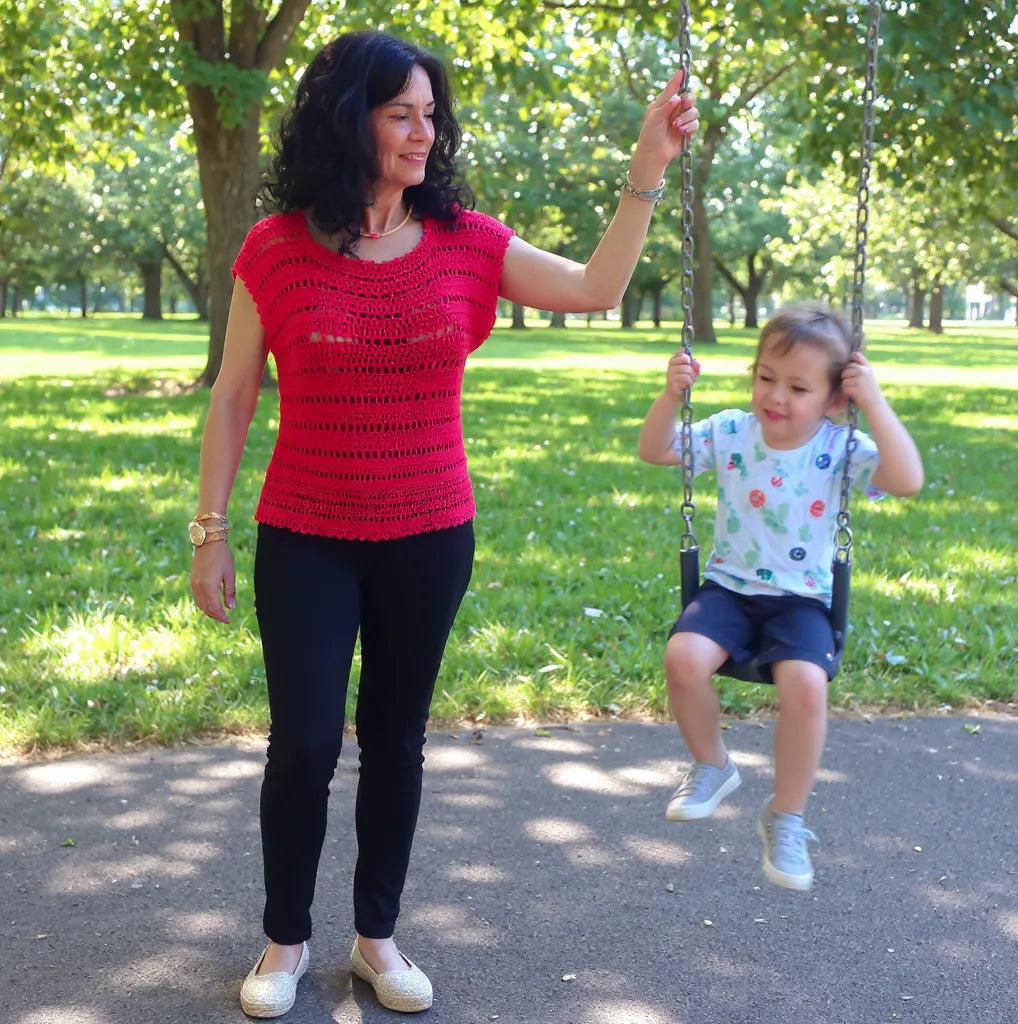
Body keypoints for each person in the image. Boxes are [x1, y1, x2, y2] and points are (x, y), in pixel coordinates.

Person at [188, 28, 699, 1019]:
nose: (424, 133)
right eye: (401, 114)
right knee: (304, 741)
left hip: (428, 534)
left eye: (431, 115)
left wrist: (648, 165)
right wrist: (210, 531)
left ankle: (376, 938)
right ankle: (285, 939)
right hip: (306, 534)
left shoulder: (469, 240)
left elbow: (596, 289)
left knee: (396, 738)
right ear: (350, 122)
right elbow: (235, 393)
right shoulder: (276, 247)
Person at [637, 302, 923, 892]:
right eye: (766, 377)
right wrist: (670, 395)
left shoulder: (840, 448)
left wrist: (874, 402)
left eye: (798, 387)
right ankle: (713, 764)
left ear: (834, 398)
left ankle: (786, 816)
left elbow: (907, 480)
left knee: (806, 687)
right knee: (683, 658)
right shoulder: (730, 432)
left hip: (802, 600)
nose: (776, 396)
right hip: (729, 589)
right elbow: (656, 450)